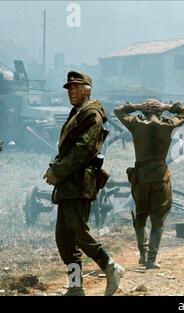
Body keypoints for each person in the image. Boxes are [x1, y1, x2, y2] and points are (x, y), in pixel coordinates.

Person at [43, 71, 124, 296]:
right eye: (70, 88)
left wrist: (58, 172)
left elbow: (84, 149)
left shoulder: (92, 114)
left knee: (78, 231)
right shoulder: (78, 112)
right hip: (70, 183)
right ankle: (76, 286)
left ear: (88, 90)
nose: (73, 92)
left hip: (80, 182)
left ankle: (111, 266)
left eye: (78, 88)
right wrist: (56, 168)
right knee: (64, 239)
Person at [114, 98, 184, 269]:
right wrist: (168, 106)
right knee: (158, 220)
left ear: (145, 111)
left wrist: (135, 105)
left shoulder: (136, 124)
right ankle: (151, 259)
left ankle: (142, 254)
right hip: (160, 177)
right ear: (160, 111)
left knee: (141, 216)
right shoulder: (169, 124)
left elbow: (118, 111)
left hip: (141, 177)